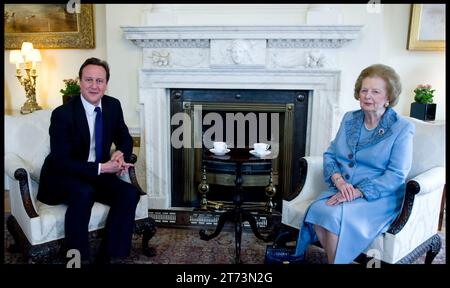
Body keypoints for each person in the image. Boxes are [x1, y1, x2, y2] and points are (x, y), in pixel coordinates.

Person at [280, 64, 414, 264]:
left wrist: (358, 192)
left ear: (388, 98)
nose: (368, 96)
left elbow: (396, 175)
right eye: (364, 90)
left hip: (378, 196)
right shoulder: (350, 119)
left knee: (332, 216)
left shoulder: (402, 128)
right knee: (319, 210)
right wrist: (340, 183)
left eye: (376, 92)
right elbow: (331, 154)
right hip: (342, 189)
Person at [38, 57, 139, 264]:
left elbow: (125, 137)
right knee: (84, 193)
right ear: (80, 82)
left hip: (95, 173)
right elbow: (61, 161)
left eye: (99, 81)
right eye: (89, 80)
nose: (94, 86)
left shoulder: (112, 105)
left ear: (106, 83)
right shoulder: (63, 114)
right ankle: (76, 259)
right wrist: (103, 167)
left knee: (129, 193)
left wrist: (120, 152)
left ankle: (109, 254)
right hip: (63, 175)